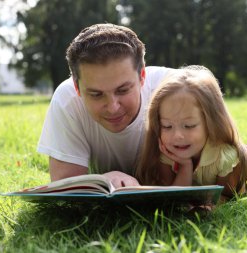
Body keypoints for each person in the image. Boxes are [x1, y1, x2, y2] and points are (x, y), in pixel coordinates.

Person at [135, 65, 247, 198]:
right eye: (167, 126)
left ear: (211, 122)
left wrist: (211, 203)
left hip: (245, 165)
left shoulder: (226, 157)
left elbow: (229, 196)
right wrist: (185, 166)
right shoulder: (167, 149)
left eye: (189, 126)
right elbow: (175, 194)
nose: (177, 135)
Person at [37, 23, 171, 186]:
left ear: (142, 75)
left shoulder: (174, 89)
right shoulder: (67, 99)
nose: (113, 107)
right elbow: (64, 186)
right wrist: (103, 180)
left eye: (122, 90)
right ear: (77, 87)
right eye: (96, 94)